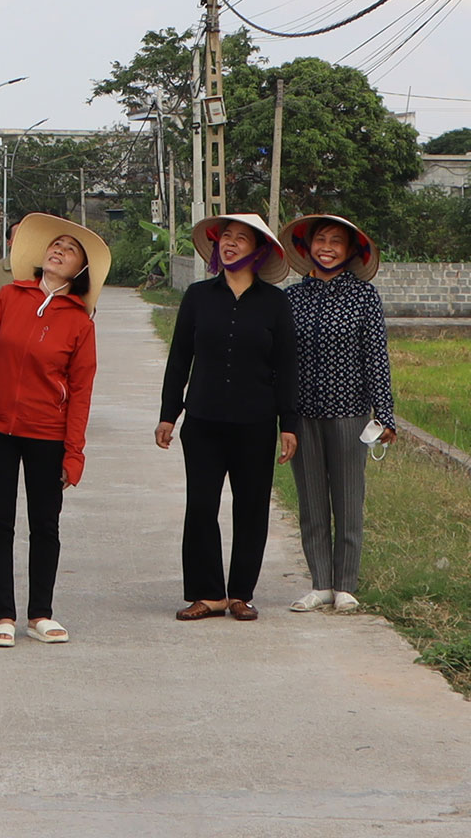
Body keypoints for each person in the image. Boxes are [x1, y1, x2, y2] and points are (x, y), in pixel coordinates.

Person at [0, 212, 102, 648]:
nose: (59, 251)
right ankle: (2, 615)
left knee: (45, 525)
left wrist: (74, 452)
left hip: (47, 434)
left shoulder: (80, 321)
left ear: (80, 270)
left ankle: (40, 614)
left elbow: (81, 392)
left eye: (70, 250)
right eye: (55, 245)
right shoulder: (10, 297)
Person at [157, 211, 298, 624]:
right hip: (203, 420)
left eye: (241, 238)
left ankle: (240, 594)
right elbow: (179, 358)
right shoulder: (198, 296)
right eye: (226, 237)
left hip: (256, 422)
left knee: (252, 508)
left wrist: (288, 424)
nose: (231, 243)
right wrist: (169, 414)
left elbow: (287, 367)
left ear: (258, 251)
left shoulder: (275, 303)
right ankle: (208, 594)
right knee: (201, 506)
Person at [282, 212, 396, 614]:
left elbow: (376, 358)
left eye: (336, 242)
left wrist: (385, 413)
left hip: (350, 413)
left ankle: (346, 584)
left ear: (349, 251)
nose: (327, 248)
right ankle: (320, 584)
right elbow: (281, 361)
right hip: (303, 415)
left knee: (348, 500)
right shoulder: (292, 298)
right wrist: (282, 416)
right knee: (311, 503)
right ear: (308, 246)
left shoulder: (364, 297)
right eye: (321, 240)